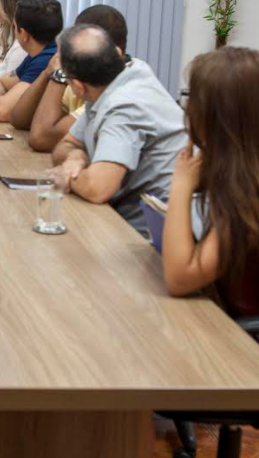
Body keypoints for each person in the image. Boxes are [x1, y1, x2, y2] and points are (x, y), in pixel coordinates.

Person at [52, 25, 187, 238]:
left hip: (154, 239)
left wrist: (66, 174)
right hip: (121, 219)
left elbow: (98, 187)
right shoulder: (117, 79)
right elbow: (66, 145)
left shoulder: (125, 105)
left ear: (77, 87)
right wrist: (76, 156)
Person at [162, 47, 259, 318]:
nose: (186, 106)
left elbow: (180, 278)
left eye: (191, 97)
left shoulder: (249, 189)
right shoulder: (236, 167)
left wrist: (181, 185)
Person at [10, 4, 129, 151]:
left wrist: (59, 73)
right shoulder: (85, 77)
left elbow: (41, 138)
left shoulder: (120, 89)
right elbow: (19, 119)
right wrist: (47, 72)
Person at [0, 0, 62, 121]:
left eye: (14, 26)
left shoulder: (46, 61)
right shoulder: (39, 53)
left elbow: (1, 110)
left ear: (23, 34)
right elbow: (2, 82)